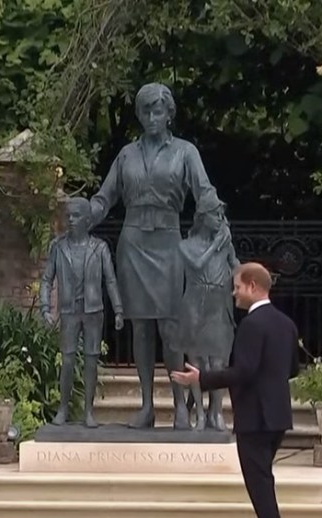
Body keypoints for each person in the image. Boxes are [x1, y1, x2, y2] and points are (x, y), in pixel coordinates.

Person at [89, 82, 230, 430]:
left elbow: (205, 192)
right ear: (139, 115)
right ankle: (147, 405)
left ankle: (180, 404)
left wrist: (222, 227)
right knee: (140, 328)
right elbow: (105, 198)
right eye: (146, 111)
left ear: (169, 114)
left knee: (171, 326)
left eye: (158, 111)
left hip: (168, 243)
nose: (152, 117)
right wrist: (79, 216)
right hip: (133, 242)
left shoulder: (185, 152)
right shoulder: (126, 155)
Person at [171, 262, 300, 518]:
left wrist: (202, 378)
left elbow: (243, 371)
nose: (234, 292)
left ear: (253, 286)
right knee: (263, 484)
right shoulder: (286, 324)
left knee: (260, 488)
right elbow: (293, 369)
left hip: (255, 417)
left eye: (238, 286)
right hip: (278, 415)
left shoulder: (252, 325)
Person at [39, 197, 124, 427]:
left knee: (91, 361)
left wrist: (118, 309)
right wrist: (45, 307)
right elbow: (47, 279)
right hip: (69, 311)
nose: (71, 220)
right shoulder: (58, 247)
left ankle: (88, 411)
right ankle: (63, 409)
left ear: (87, 220)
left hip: (93, 311)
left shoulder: (100, 248)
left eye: (76, 216)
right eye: (68, 216)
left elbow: (111, 280)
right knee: (67, 361)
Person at [176, 197, 240, 431]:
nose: (222, 221)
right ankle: (200, 414)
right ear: (203, 217)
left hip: (219, 304)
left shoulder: (226, 244)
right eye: (217, 216)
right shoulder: (186, 245)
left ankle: (216, 412)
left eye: (223, 216)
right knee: (197, 361)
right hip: (195, 304)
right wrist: (215, 246)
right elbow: (196, 264)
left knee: (219, 362)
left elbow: (236, 266)